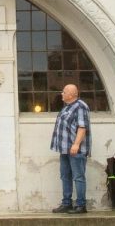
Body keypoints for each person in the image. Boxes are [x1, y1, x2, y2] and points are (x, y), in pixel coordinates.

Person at [50, 83, 91, 214]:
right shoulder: (67, 107)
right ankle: (66, 203)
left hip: (75, 150)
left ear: (72, 94)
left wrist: (76, 144)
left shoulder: (80, 106)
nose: (61, 94)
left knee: (78, 177)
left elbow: (82, 127)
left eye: (64, 92)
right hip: (64, 149)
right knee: (65, 176)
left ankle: (81, 205)